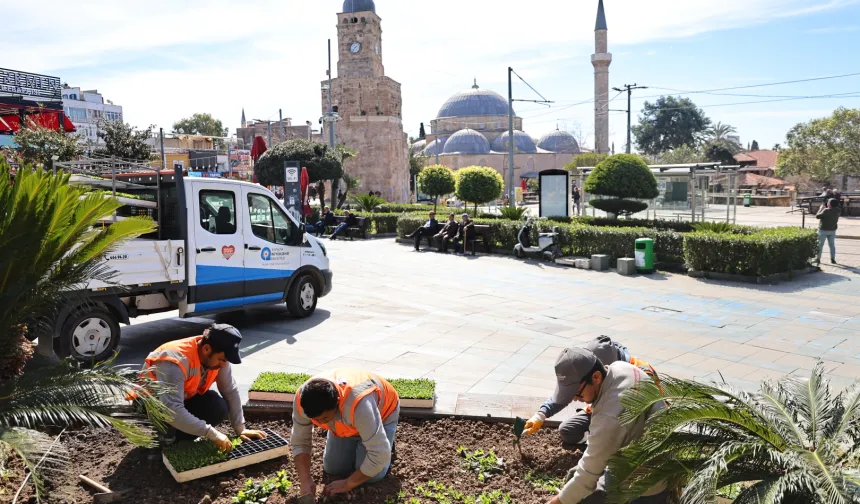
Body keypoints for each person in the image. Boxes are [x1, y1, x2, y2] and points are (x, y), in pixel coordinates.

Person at [543, 348, 667, 504]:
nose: (574, 399)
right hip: (643, 462)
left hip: (645, 489)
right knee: (574, 478)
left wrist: (555, 502)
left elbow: (587, 476)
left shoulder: (609, 417)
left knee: (582, 495)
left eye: (576, 393)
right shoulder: (620, 367)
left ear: (596, 377)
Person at [135, 324, 267, 451]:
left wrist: (240, 428)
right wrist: (210, 433)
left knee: (217, 407)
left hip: (181, 399)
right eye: (222, 359)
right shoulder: (175, 361)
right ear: (206, 349)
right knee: (170, 423)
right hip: (151, 405)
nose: (223, 364)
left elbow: (230, 391)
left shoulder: (218, 357)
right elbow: (172, 409)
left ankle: (180, 435)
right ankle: (163, 439)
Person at [524, 336, 655, 451]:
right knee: (568, 430)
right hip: (598, 413)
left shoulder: (641, 374)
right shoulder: (590, 367)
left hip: (631, 422)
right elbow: (568, 392)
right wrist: (540, 415)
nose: (575, 399)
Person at [292, 369, 400, 500]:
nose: (319, 422)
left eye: (324, 418)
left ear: (337, 402)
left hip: (383, 414)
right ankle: (363, 438)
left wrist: (348, 483)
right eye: (315, 419)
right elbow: (300, 441)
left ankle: (382, 438)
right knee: (333, 468)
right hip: (349, 421)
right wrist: (305, 481)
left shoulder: (359, 404)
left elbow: (379, 456)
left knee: (373, 476)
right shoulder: (302, 400)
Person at [816, 198, 840, 265]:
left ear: (829, 204)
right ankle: (833, 259)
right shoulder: (838, 210)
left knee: (820, 245)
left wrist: (820, 209)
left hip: (823, 230)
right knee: (832, 245)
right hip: (832, 230)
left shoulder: (826, 210)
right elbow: (831, 211)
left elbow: (817, 216)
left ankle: (818, 259)